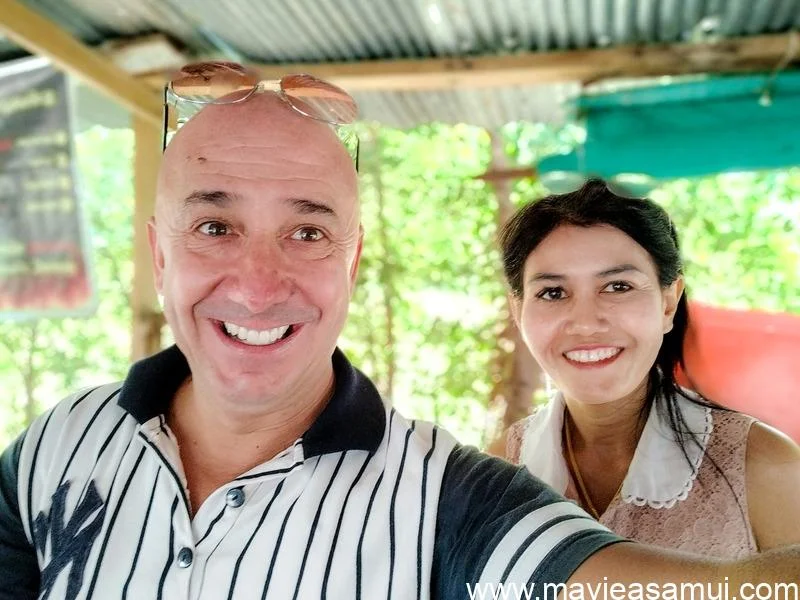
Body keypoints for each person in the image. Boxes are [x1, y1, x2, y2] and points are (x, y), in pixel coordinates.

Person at [0, 63, 798, 599]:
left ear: (350, 267)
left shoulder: (450, 495)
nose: (257, 281)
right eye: (215, 225)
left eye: (308, 232)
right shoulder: (60, 443)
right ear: (158, 255)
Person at [501, 179, 800, 558]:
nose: (586, 323)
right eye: (553, 293)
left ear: (667, 303)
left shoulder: (763, 468)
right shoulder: (498, 472)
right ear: (518, 310)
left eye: (618, 286)